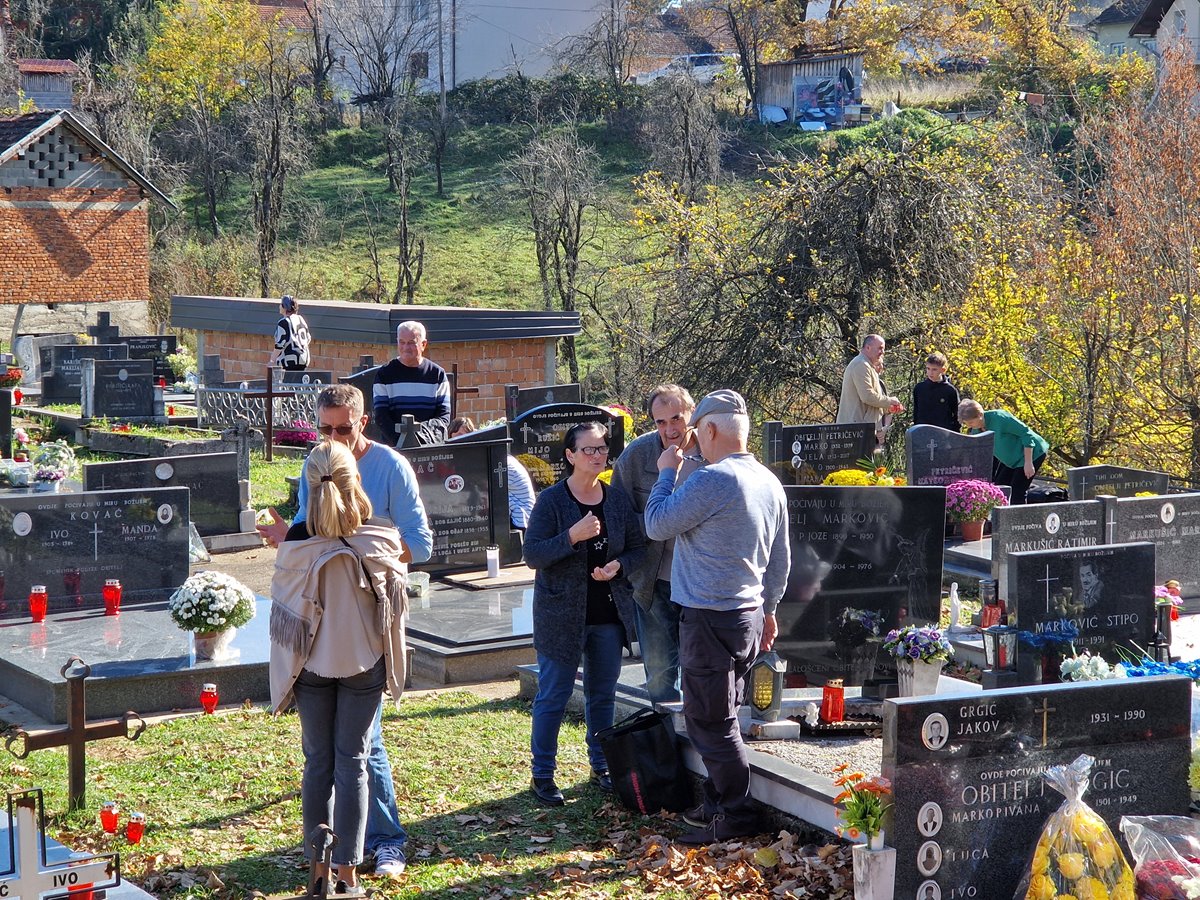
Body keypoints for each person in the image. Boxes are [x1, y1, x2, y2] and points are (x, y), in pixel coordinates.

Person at [257, 384, 432, 880]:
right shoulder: (315, 464)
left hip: (364, 631)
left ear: (363, 423)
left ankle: (382, 844)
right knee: (342, 757)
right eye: (325, 428)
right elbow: (307, 530)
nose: (333, 437)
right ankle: (345, 866)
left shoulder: (391, 468)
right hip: (329, 640)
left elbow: (420, 544)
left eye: (343, 428)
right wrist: (295, 543)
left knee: (358, 752)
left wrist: (365, 561)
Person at [644, 389, 790, 844]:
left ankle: (735, 814)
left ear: (708, 429)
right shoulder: (768, 481)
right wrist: (769, 609)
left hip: (709, 617)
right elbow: (780, 560)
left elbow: (656, 523)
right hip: (747, 616)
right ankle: (716, 800)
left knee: (711, 722)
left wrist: (666, 473)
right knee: (722, 714)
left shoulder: (713, 479)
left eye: (696, 432)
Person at [268, 441, 409, 897]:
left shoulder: (295, 541)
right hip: (364, 664)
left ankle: (317, 872)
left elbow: (286, 612)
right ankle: (348, 875)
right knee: (354, 764)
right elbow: (395, 610)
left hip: (312, 665)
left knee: (317, 764)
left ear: (308, 487)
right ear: (357, 481)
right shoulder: (382, 536)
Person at [522, 422, 645, 806]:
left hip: (607, 614)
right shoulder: (551, 501)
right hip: (561, 616)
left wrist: (619, 566)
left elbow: (639, 549)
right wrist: (572, 536)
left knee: (602, 695)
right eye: (588, 449)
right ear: (570, 455)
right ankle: (543, 774)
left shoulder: (616, 500)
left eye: (602, 448)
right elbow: (533, 554)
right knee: (554, 696)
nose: (597, 455)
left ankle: (601, 766)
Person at [610, 384, 704, 706]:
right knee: (661, 677)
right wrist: (657, 524)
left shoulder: (712, 453)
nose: (669, 429)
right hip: (654, 583)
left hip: (701, 583)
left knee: (702, 672)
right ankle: (667, 736)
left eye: (676, 418)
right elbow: (617, 516)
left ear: (692, 413)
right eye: (660, 422)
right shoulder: (637, 456)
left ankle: (699, 734)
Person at [448, 416, 537, 530]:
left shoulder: (494, 459)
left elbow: (486, 489)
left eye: (461, 436)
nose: (457, 443)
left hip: (521, 517)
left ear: (472, 436)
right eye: (454, 439)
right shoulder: (485, 454)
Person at [373, 321, 451, 447]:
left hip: (429, 448)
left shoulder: (437, 375)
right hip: (394, 448)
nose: (405, 348)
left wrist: (420, 439)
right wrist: (402, 442)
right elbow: (381, 417)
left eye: (411, 343)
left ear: (423, 344)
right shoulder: (384, 375)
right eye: (402, 342)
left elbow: (443, 417)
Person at [958, 399, 1049, 505]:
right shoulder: (976, 430)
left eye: (971, 422)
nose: (969, 426)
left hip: (1032, 454)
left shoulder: (1000, 418)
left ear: (980, 415)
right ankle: (1001, 515)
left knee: (1017, 492)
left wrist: (1028, 463)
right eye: (966, 424)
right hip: (1010, 460)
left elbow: (1026, 434)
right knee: (1000, 489)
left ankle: (1018, 515)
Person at [836, 334, 903, 443]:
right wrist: (890, 401)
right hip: (855, 432)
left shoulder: (868, 366)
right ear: (868, 347)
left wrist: (889, 408)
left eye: (883, 349)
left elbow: (872, 403)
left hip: (864, 431)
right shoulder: (861, 364)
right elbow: (867, 397)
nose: (883, 352)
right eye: (880, 348)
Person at [912, 352, 960, 432]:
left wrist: (953, 433)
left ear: (943, 370)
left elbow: (957, 415)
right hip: (923, 431)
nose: (930, 373)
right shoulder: (919, 388)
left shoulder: (950, 390)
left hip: (943, 432)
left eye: (934, 369)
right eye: (928, 369)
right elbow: (916, 413)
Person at [271, 295, 311, 371]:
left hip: (290, 361)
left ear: (285, 307)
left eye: (281, 304)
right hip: (304, 359)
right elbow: (308, 338)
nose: (279, 306)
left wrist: (272, 361)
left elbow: (280, 345)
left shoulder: (283, 322)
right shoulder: (301, 319)